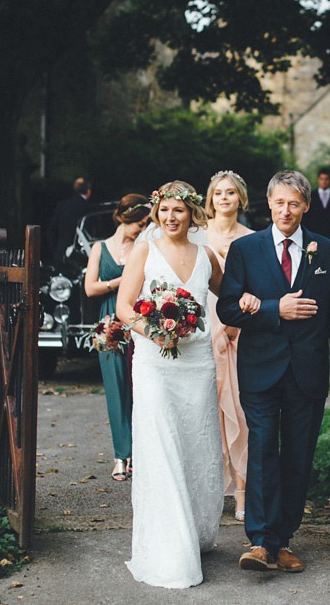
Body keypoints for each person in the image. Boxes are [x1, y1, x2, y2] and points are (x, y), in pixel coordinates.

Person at [217, 170, 330, 574]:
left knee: (299, 456)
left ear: (306, 206)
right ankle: (261, 542)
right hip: (260, 369)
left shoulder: (327, 252)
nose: (286, 210)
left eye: (294, 203)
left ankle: (284, 540)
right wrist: (270, 308)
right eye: (279, 202)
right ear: (269, 204)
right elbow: (227, 308)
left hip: (308, 371)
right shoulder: (246, 249)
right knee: (262, 451)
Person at [115, 181, 225, 589]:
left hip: (196, 364)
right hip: (154, 365)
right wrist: (153, 331)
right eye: (164, 211)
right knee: (161, 446)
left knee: (195, 447)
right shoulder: (145, 250)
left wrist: (252, 304)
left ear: (192, 213)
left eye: (179, 210)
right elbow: (124, 307)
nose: (170, 218)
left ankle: (194, 531)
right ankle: (168, 546)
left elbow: (227, 297)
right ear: (156, 213)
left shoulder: (206, 255)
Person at [83, 193, 149, 482]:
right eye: (142, 223)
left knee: (140, 388)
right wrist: (122, 281)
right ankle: (120, 455)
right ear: (127, 220)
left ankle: (139, 452)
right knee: (115, 388)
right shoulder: (100, 248)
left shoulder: (144, 247)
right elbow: (90, 288)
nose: (145, 228)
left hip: (137, 318)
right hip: (109, 321)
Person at [203, 170, 254, 523]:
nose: (224, 198)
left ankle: (241, 491)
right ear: (210, 199)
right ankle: (206, 492)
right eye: (218, 193)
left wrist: (236, 324)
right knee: (204, 412)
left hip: (236, 331)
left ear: (241, 199)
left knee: (238, 410)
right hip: (201, 328)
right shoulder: (194, 235)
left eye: (230, 193)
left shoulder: (252, 239)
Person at [301, 168, 330, 255]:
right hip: (315, 237)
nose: (324, 181)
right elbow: (306, 218)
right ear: (318, 180)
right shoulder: (311, 197)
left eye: (326, 179)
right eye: (322, 179)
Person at [47, 177, 93, 263]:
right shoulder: (88, 208)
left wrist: (57, 250)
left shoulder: (62, 206)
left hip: (61, 252)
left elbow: (51, 231)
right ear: (88, 191)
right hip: (82, 253)